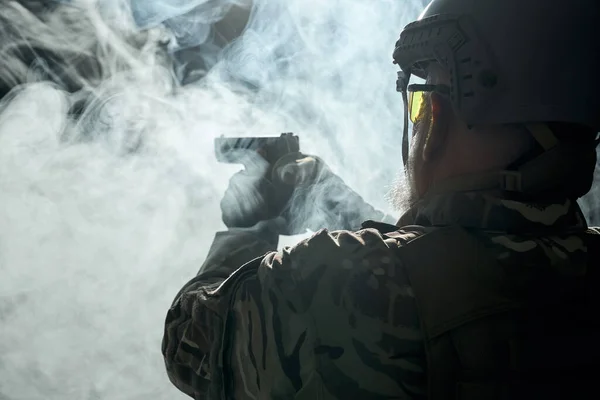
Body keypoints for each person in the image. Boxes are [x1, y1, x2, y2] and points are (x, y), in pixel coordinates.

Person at [162, 0, 600, 399]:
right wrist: (331, 198)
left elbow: (189, 346)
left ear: (437, 119)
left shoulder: (324, 280)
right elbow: (439, 260)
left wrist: (245, 227)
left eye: (421, 107)